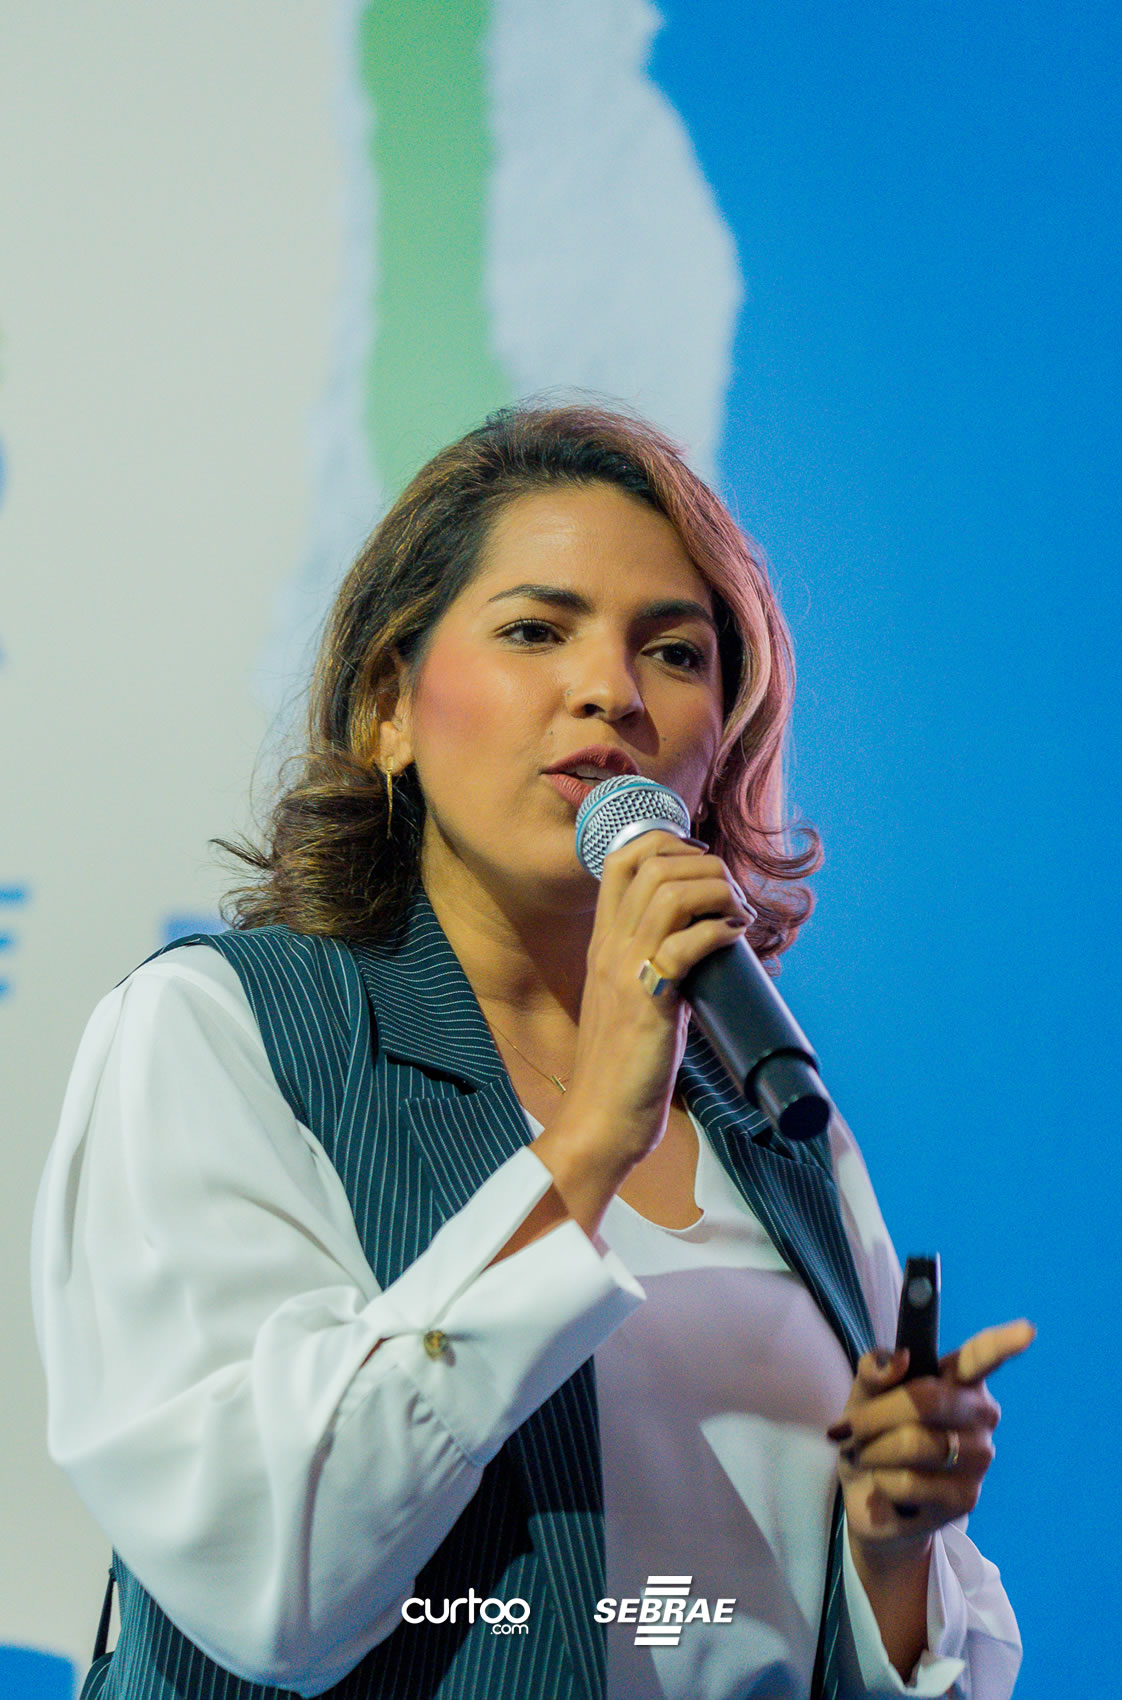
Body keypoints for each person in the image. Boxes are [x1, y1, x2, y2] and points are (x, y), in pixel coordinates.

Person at [33, 403, 1032, 1700]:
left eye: (673, 652)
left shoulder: (765, 1101)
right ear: (390, 706)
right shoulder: (222, 1031)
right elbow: (267, 1579)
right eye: (535, 631)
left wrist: (891, 1559)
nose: (611, 689)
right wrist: (589, 1140)